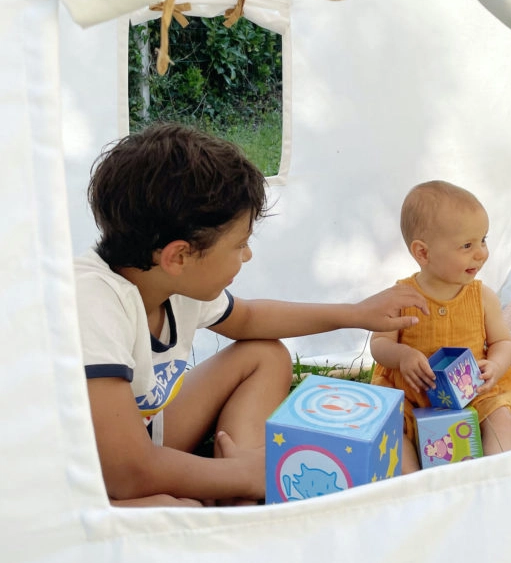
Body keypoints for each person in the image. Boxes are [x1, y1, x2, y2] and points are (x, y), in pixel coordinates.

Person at [76, 122, 428, 508]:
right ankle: (239, 479)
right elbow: (127, 473)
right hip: (83, 473)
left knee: (264, 354)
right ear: (178, 256)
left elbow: (248, 319)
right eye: (240, 244)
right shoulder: (92, 303)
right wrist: (249, 476)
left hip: (137, 436)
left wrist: (356, 314)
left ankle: (236, 482)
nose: (247, 256)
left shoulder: (168, 281)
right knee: (183, 514)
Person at [370, 180, 511, 473]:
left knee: (498, 413)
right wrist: (402, 356)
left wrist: (496, 366)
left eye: (483, 240)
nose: (481, 253)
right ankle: (413, 482)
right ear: (423, 253)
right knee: (392, 427)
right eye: (467, 245)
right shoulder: (401, 297)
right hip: (412, 393)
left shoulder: (482, 296)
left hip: (473, 390)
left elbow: (503, 342)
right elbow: (379, 345)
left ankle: (497, 470)